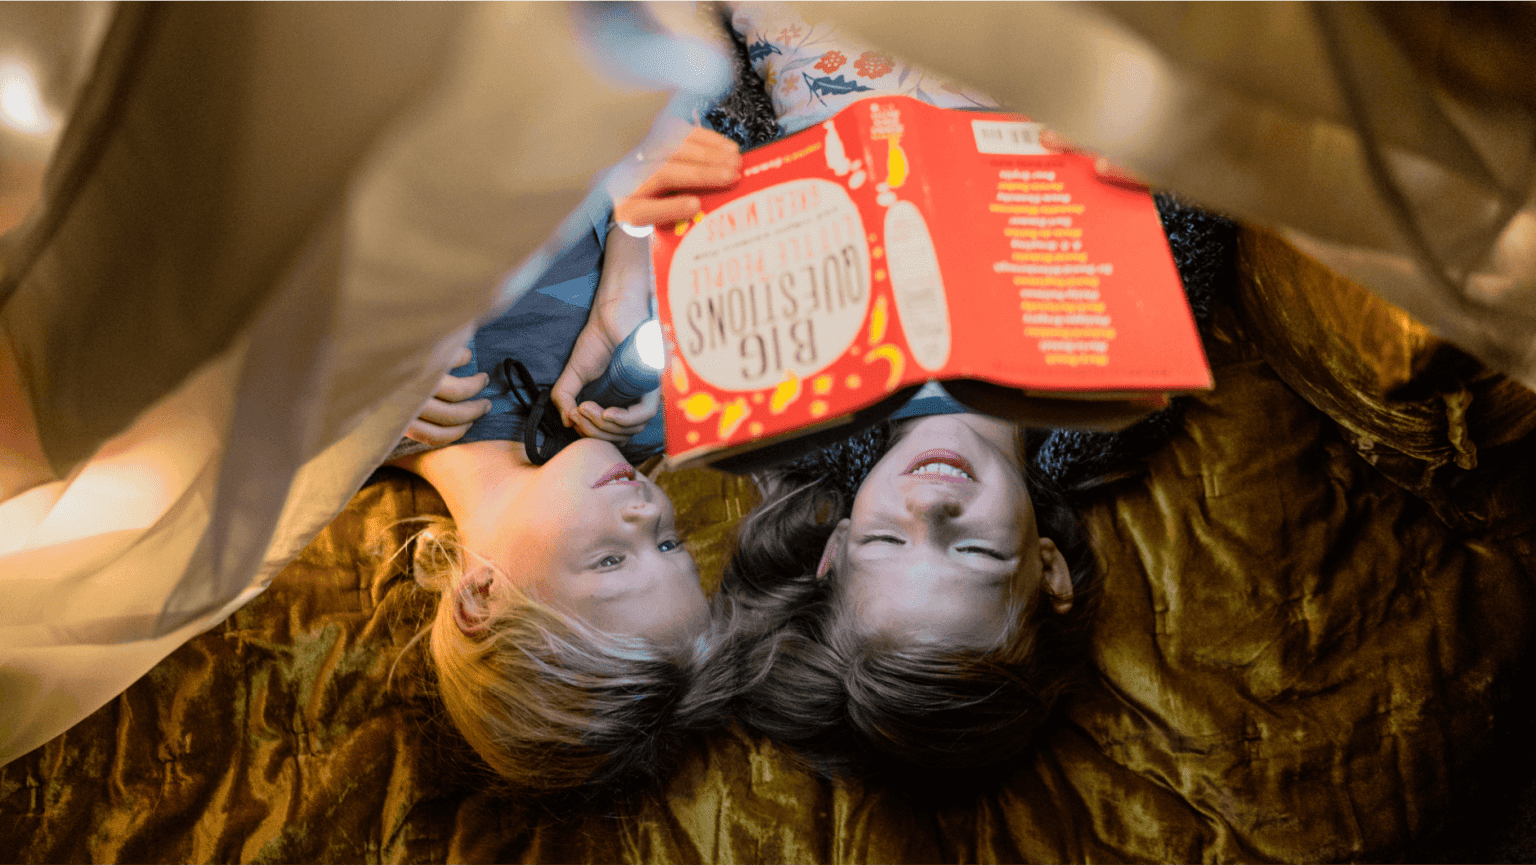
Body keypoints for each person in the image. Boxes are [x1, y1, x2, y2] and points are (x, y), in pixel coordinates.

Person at [380, 126, 756, 795]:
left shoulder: (342, 432)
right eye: (671, 543)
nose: (644, 510)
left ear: (480, 599)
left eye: (612, 559)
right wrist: (629, 262)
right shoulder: (646, 405)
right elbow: (688, 131)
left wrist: (340, 363)